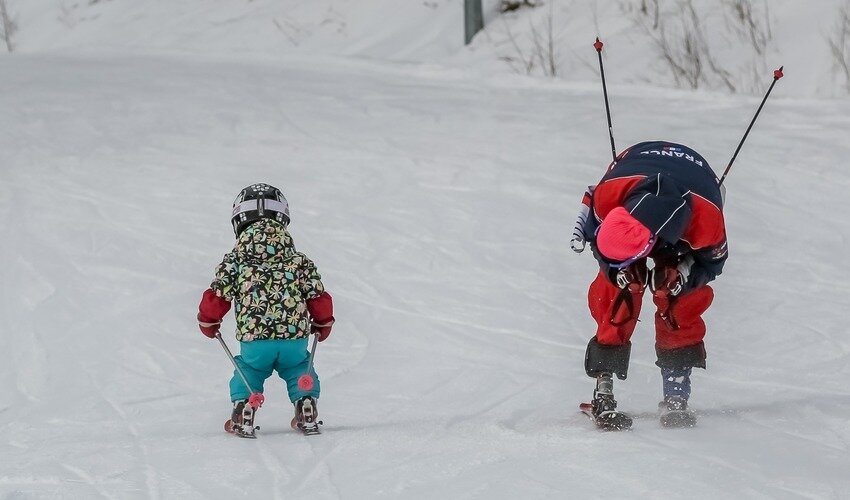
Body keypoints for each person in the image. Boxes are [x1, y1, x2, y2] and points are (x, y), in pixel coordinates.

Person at [573, 141, 727, 426]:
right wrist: (614, 270)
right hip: (631, 176)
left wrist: (682, 275)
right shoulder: (608, 200)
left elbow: (712, 264)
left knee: (679, 296)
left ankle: (677, 390)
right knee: (619, 291)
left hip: (692, 201)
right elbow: (600, 244)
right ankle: (603, 386)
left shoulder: (707, 224)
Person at [197, 183, 334, 438]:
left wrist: (209, 320)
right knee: (299, 367)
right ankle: (305, 402)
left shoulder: (235, 260)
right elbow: (317, 296)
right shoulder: (297, 260)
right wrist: (323, 321)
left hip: (255, 341)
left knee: (249, 369)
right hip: (294, 337)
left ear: (239, 219)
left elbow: (218, 295)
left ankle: (243, 406)